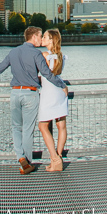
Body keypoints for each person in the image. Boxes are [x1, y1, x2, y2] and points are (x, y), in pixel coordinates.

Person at [0, 26, 67, 174]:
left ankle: (20, 157)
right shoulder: (36, 54)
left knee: (16, 127)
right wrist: (62, 85)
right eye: (40, 36)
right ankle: (27, 162)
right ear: (34, 37)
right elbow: (47, 74)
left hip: (15, 93)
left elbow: (0, 67)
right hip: (30, 93)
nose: (41, 39)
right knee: (28, 129)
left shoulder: (13, 51)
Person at [37, 29, 68, 172]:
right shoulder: (61, 56)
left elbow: (45, 75)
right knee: (61, 126)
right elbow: (56, 75)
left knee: (43, 127)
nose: (42, 38)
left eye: (44, 37)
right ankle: (59, 157)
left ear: (51, 40)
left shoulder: (43, 55)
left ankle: (54, 158)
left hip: (48, 93)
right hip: (60, 92)